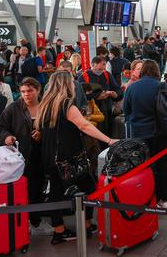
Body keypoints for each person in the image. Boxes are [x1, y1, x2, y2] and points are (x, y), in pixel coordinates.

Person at [36, 71, 117, 244]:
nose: (74, 85)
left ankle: (59, 231)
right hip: (70, 157)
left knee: (56, 194)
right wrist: (109, 140)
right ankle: (86, 226)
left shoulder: (45, 104)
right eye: (72, 82)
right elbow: (84, 125)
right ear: (66, 85)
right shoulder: (67, 104)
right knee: (90, 189)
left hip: (51, 157)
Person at [0, 77, 54, 236]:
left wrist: (43, 134)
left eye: (30, 91)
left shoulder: (46, 106)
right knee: (24, 188)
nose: (26, 94)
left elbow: (54, 129)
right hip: (20, 157)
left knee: (38, 186)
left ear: (38, 90)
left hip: (42, 154)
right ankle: (28, 220)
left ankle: (35, 219)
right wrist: (6, 137)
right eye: (23, 91)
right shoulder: (13, 108)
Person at [123, 60, 167, 208]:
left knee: (143, 167)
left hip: (139, 134)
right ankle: (164, 200)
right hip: (162, 133)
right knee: (162, 166)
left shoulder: (132, 88)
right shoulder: (163, 86)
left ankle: (146, 198)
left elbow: (126, 111)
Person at [77, 56, 122, 135]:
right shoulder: (83, 77)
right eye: (99, 69)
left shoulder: (107, 74)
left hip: (108, 110)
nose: (102, 71)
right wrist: (97, 96)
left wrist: (116, 95)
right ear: (93, 65)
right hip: (92, 113)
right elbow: (79, 96)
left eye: (104, 69)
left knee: (109, 132)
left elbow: (117, 89)